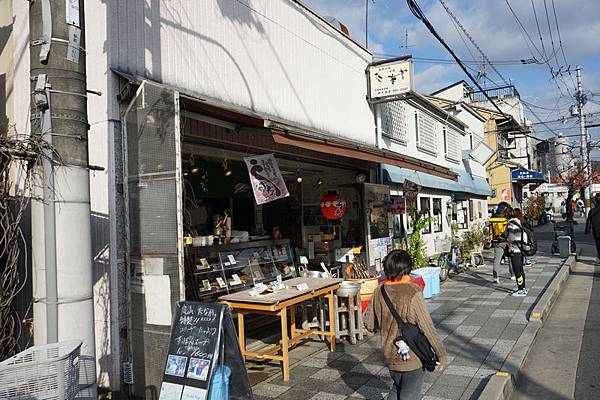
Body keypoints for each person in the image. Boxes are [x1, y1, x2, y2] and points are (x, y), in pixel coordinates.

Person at [364, 250, 446, 400]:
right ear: (407, 269)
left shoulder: (379, 291)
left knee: (397, 387)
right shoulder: (413, 291)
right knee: (409, 395)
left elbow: (368, 324)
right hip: (412, 357)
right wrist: (441, 354)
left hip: (389, 355)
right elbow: (427, 327)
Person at [503, 209, 528, 296]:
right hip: (520, 249)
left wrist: (506, 241)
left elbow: (511, 237)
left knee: (517, 270)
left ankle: (520, 289)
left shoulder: (511, 224)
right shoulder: (518, 222)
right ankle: (523, 288)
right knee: (520, 270)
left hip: (515, 250)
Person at [490, 202, 514, 283]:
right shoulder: (506, 217)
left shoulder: (493, 217)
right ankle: (512, 274)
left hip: (496, 241)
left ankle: (495, 277)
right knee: (511, 257)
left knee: (497, 259)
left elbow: (490, 230)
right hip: (506, 241)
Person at [585, 194, 600, 260]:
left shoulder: (592, 211)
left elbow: (588, 222)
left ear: (595, 201)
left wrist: (587, 231)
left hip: (596, 232)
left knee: (598, 245)